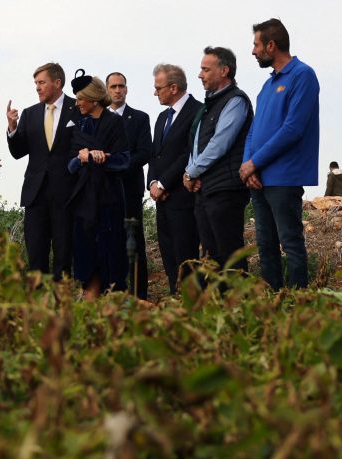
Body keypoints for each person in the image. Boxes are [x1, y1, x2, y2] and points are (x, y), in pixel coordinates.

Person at [240, 18, 319, 290]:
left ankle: (299, 309)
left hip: (284, 177)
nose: (253, 51)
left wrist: (253, 163)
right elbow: (253, 130)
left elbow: (292, 129)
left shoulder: (303, 75)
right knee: (265, 244)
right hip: (259, 177)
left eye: (256, 45)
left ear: (271, 46)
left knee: (291, 243)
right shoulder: (267, 86)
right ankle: (271, 307)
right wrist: (247, 165)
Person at [182, 47, 253, 276]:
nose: (200, 75)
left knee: (229, 253)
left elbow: (220, 143)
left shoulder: (235, 100)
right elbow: (196, 144)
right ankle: (217, 307)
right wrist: (189, 173)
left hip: (226, 189)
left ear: (224, 71)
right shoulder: (207, 106)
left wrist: (192, 172)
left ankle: (238, 306)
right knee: (211, 256)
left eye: (205, 69)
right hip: (206, 190)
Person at [7, 63, 80, 279]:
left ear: (57, 83)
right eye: (36, 83)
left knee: (64, 253)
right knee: (36, 254)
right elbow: (18, 152)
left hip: (67, 194)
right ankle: (38, 307)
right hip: (35, 195)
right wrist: (12, 128)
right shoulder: (30, 114)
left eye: (41, 82)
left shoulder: (77, 108)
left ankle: (62, 305)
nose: (37, 88)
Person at [66, 74, 130, 299]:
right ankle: (88, 310)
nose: (77, 104)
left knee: (110, 257)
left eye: (81, 99)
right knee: (86, 259)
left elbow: (123, 160)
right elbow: (70, 165)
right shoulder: (78, 123)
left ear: (93, 99)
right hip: (84, 202)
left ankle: (113, 308)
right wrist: (82, 158)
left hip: (108, 200)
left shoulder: (114, 122)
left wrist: (99, 158)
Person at [147, 64, 202, 295]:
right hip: (162, 200)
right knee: (168, 254)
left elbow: (188, 153)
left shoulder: (198, 111)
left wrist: (164, 183)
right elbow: (155, 154)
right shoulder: (161, 117)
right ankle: (174, 299)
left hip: (184, 197)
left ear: (173, 87)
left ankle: (193, 306)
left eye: (158, 88)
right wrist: (152, 183)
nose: (155, 92)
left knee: (186, 255)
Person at [106, 72, 152, 298]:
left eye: (121, 86)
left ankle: (139, 296)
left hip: (130, 190)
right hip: (104, 191)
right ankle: (111, 295)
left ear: (126, 89)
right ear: (106, 90)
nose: (117, 90)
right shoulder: (97, 119)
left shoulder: (140, 118)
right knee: (107, 243)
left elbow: (144, 152)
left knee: (134, 243)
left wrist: (117, 165)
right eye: (113, 86)